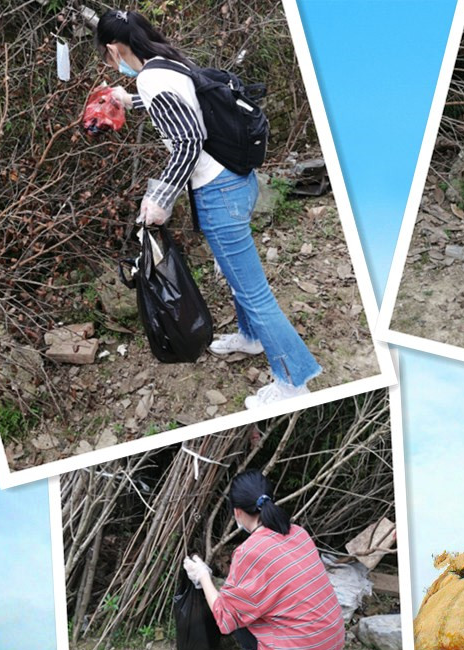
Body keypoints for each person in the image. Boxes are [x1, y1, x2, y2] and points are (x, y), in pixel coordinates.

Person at [95, 10, 321, 409]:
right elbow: (184, 106)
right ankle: (251, 338)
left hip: (219, 193)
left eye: (106, 55)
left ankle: (293, 382)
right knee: (237, 279)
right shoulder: (166, 62)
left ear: (114, 49)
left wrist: (160, 198)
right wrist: (128, 100)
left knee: (254, 294)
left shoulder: (151, 78)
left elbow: (188, 140)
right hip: (237, 180)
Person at [182, 470, 345, 650]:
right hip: (332, 644)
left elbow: (225, 617)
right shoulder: (298, 532)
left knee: (235, 611)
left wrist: (203, 576)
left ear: (237, 512)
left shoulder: (249, 551)